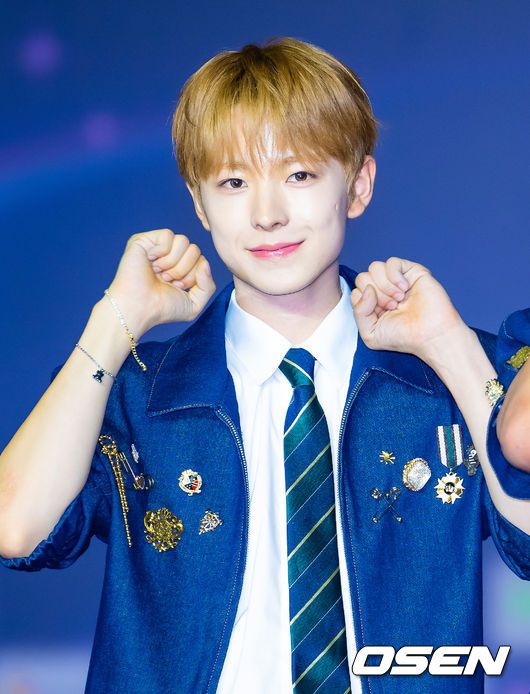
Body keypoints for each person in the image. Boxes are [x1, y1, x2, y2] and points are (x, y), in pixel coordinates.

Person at [0, 36, 529, 694]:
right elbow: (16, 528)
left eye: (299, 175)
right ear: (199, 203)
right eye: (234, 182)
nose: (267, 215)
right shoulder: (140, 393)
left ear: (358, 184)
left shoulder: (443, 381)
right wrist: (114, 324)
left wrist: (449, 347)